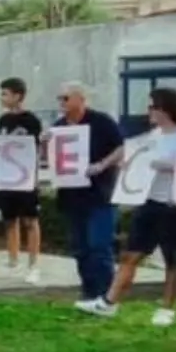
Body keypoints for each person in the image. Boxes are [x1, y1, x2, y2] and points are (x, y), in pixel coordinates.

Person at [96, 88, 176, 324]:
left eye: (152, 107)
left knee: (172, 258)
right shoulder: (151, 136)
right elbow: (129, 150)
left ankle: (168, 307)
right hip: (148, 201)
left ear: (165, 109)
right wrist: (122, 165)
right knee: (131, 253)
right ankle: (110, 301)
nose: (148, 112)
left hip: (173, 204)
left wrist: (167, 166)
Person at [51, 83, 124, 313]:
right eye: (59, 99)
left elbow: (122, 147)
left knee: (99, 244)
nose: (61, 104)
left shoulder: (101, 122)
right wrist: (46, 143)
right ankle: (89, 291)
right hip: (72, 195)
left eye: (65, 98)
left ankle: (107, 296)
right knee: (80, 247)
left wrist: (103, 164)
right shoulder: (59, 127)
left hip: (100, 193)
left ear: (80, 99)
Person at [0, 78, 43, 284]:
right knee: (10, 220)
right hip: (7, 178)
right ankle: (12, 259)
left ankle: (33, 263)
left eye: (6, 93)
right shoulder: (3, 120)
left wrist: (35, 177)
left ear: (18, 96)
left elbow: (36, 149)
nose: (2, 98)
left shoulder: (31, 120)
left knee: (30, 220)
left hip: (26, 177)